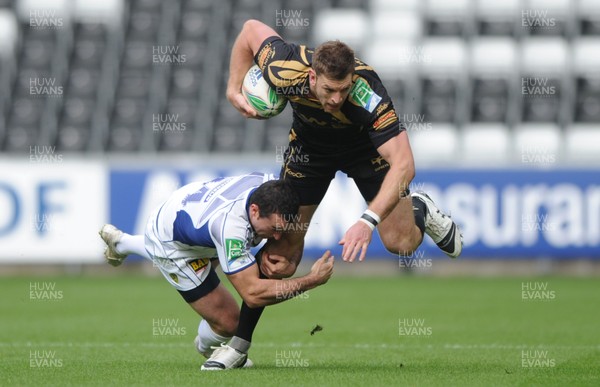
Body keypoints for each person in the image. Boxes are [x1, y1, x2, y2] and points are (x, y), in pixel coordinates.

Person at [202, 19, 464, 369]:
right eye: (329, 90)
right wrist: (234, 88)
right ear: (312, 78)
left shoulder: (367, 93)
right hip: (310, 153)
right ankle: (239, 345)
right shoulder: (285, 66)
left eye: (344, 89)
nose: (337, 98)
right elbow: (250, 30)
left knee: (402, 242)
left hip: (365, 152)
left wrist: (367, 221)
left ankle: (419, 208)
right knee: (281, 255)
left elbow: (404, 165)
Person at [98, 172, 334, 370]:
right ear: (254, 211)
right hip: (172, 245)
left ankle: (121, 243)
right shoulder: (230, 228)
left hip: (188, 209)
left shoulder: (269, 185)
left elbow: (285, 230)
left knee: (219, 257)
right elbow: (252, 293)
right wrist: (311, 280)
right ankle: (205, 347)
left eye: (282, 229)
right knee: (229, 322)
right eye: (273, 229)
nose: (277, 237)